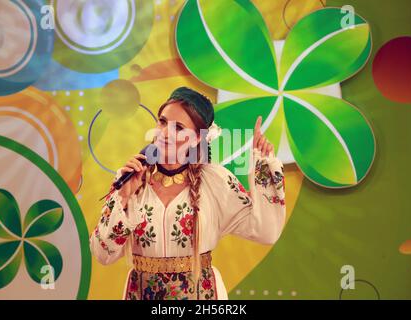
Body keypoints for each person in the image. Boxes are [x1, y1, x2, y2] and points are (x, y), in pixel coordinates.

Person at [89, 87, 286, 300]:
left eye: (178, 128)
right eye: (162, 122)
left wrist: (264, 165)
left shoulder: (214, 181)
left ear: (196, 139)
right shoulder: (131, 178)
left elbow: (266, 231)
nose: (164, 133)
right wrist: (124, 196)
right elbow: (102, 254)